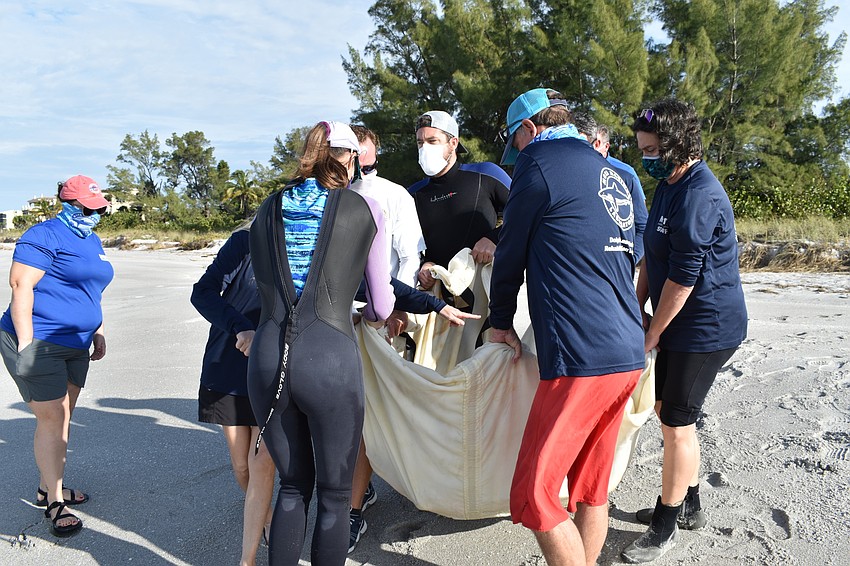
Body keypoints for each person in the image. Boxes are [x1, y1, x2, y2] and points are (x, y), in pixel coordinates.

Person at [489, 88, 645, 566]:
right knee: (592, 487)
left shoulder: (538, 162)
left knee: (534, 495)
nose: (517, 154)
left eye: (516, 143)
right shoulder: (609, 169)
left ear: (528, 129)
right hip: (627, 347)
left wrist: (500, 322)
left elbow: (509, 253)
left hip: (581, 354)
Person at [247, 121, 394, 566]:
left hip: (268, 357)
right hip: (329, 357)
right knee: (334, 493)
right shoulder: (365, 207)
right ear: (350, 159)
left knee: (292, 487)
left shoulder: (267, 207)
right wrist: (365, 313)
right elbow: (381, 305)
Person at [620, 100, 747, 564]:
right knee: (664, 409)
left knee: (677, 422)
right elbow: (653, 256)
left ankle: (665, 525)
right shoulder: (669, 185)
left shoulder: (700, 193)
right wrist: (635, 306)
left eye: (653, 150)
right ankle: (690, 504)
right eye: (642, 150)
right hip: (674, 321)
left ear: (678, 144)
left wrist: (651, 333)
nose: (646, 158)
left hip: (707, 327)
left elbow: (683, 276)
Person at [0, 175, 113, 537]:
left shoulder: (90, 239)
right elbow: (21, 285)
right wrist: (27, 343)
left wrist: (96, 329)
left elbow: (90, 290)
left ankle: (46, 485)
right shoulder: (44, 235)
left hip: (77, 343)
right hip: (40, 340)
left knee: (64, 419)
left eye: (100, 209)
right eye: (89, 209)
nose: (96, 215)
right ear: (68, 204)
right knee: (53, 419)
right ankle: (54, 502)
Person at [190, 224, 275, 566]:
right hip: (229, 362)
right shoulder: (245, 242)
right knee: (241, 466)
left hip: (275, 367)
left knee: (263, 461)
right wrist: (241, 326)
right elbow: (202, 293)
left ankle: (247, 559)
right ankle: (267, 516)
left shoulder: (309, 248)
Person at [408, 111, 511, 290]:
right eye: (420, 143)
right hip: (440, 294)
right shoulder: (413, 193)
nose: (425, 148)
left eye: (432, 141)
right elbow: (405, 246)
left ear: (453, 143)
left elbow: (527, 213)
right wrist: (424, 264)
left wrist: (494, 238)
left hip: (485, 288)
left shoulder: (486, 174)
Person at [350, 125, 424, 287]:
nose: (361, 177)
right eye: (355, 169)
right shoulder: (324, 195)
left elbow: (409, 258)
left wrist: (400, 299)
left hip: (385, 295)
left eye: (368, 168)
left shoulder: (396, 195)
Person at [572, 111, 649, 261]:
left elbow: (642, 222)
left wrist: (630, 261)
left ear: (604, 145)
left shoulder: (626, 174)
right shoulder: (576, 171)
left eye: (596, 143)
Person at [594, 123, 646, 203]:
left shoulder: (627, 171)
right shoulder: (582, 168)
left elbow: (640, 206)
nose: (592, 148)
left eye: (596, 144)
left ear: (606, 146)